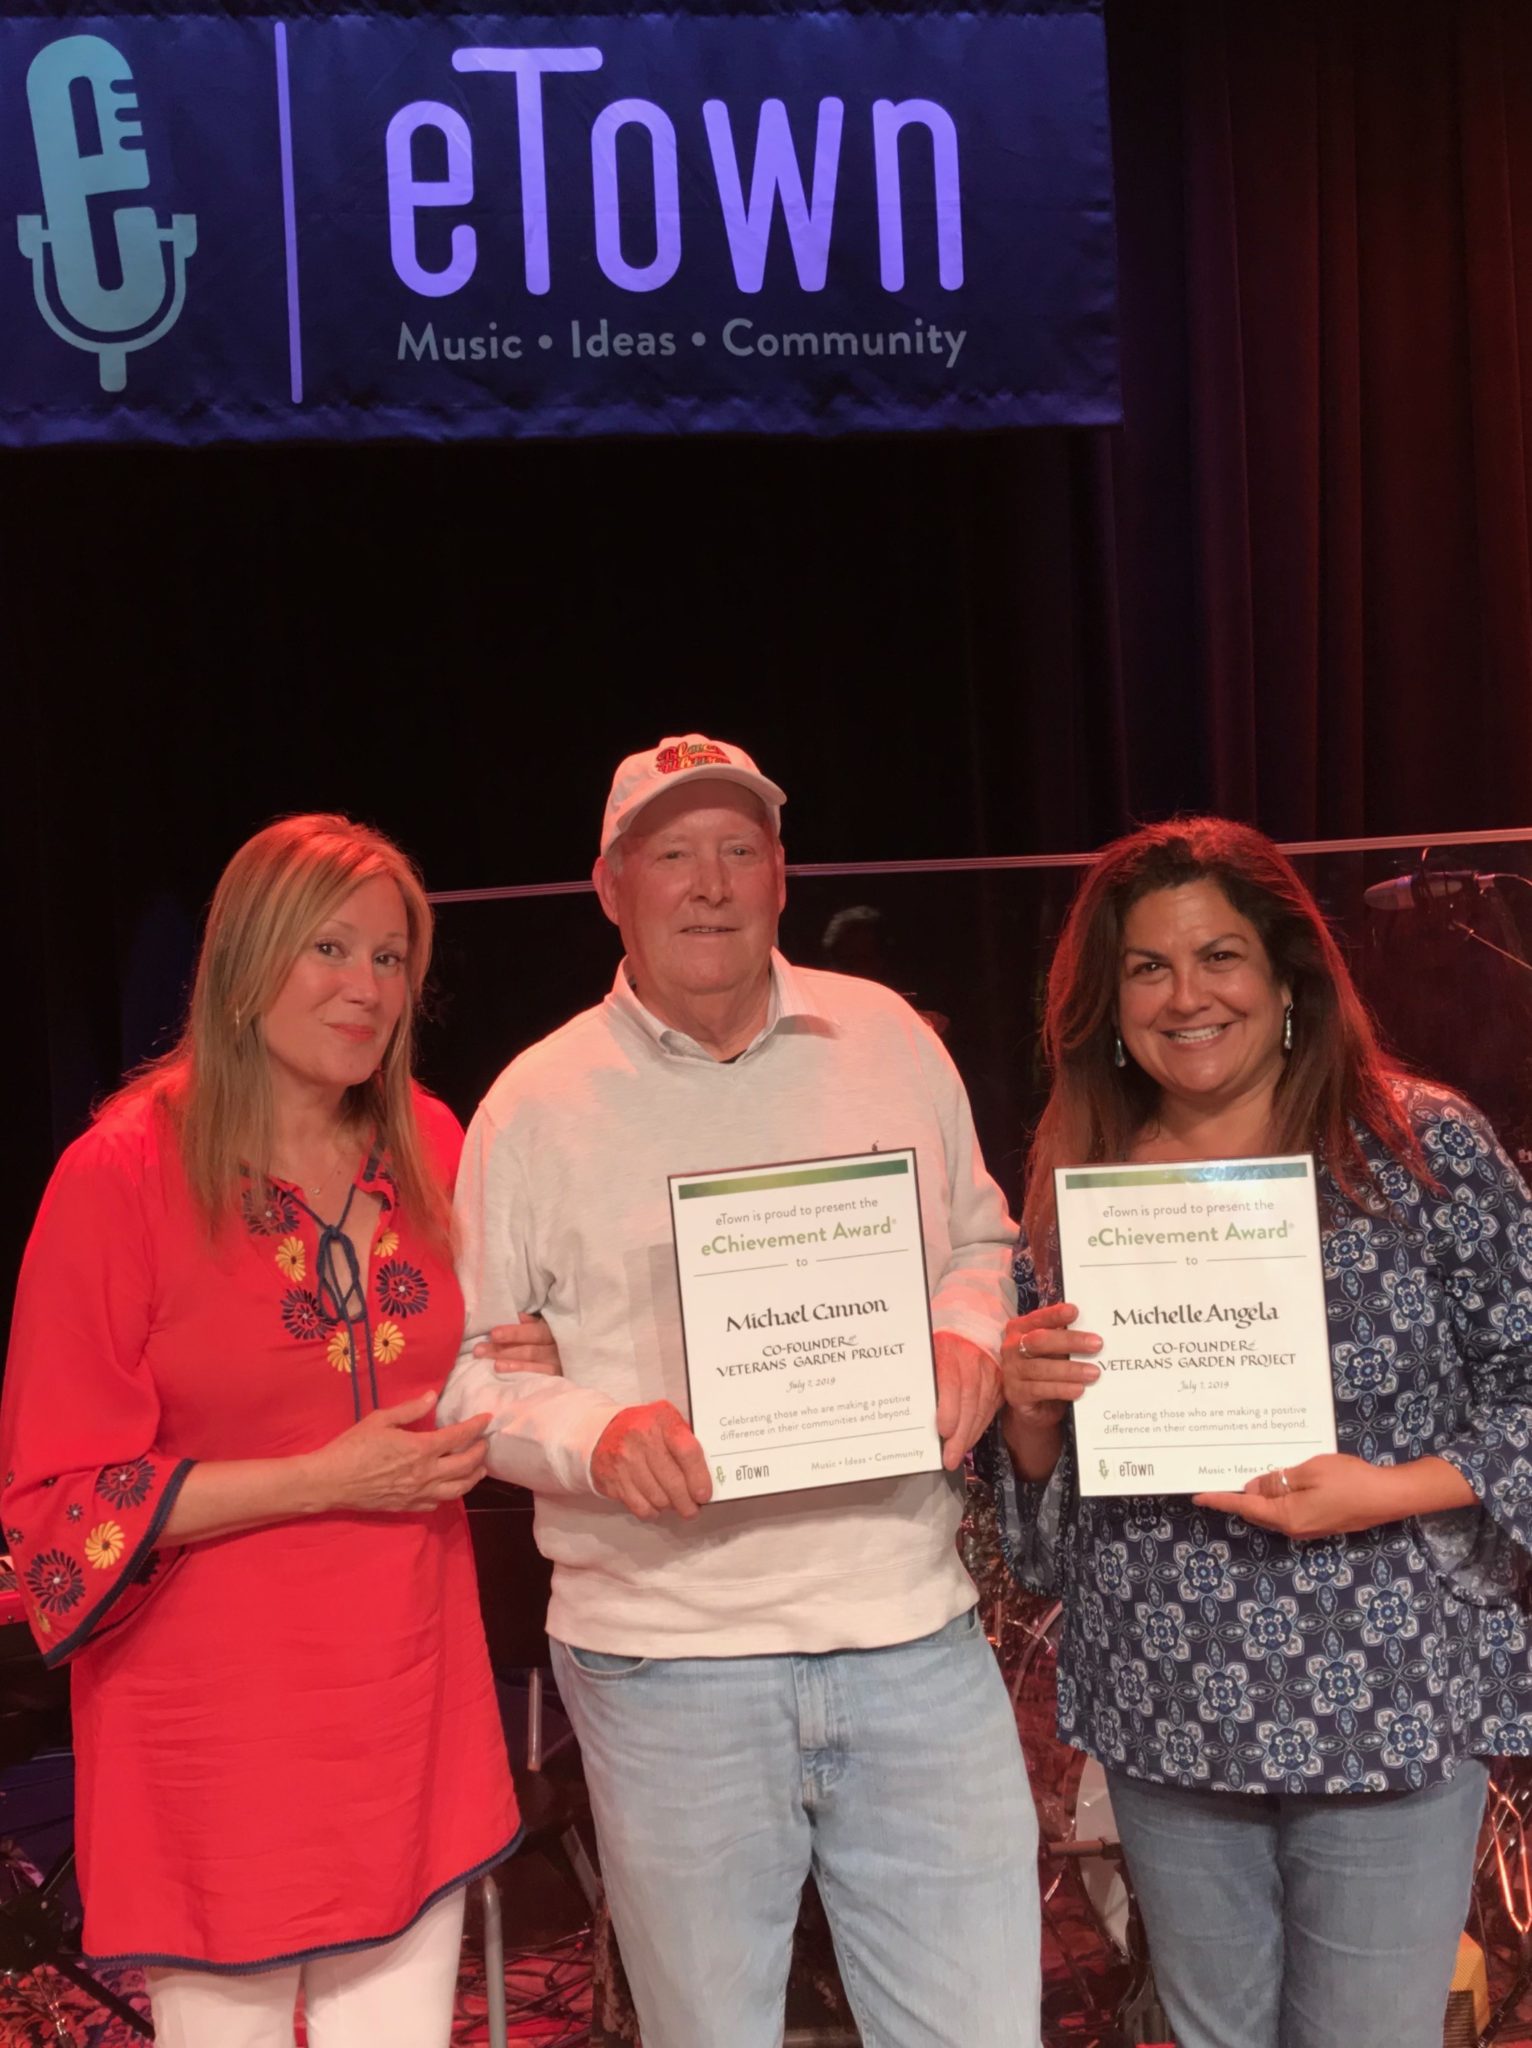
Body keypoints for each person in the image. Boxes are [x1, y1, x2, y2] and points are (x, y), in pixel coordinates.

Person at [441, 733, 1040, 2048]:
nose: (707, 884)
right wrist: (595, 1433)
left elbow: (979, 1244)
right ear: (610, 887)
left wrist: (967, 1337)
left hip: (907, 1630)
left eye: (736, 850)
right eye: (672, 854)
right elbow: (464, 1372)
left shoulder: (886, 1037)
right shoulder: (533, 1102)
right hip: (666, 1659)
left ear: (780, 872)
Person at [988, 815, 1532, 2048]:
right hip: (1165, 1694)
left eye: (1218, 955)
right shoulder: (1082, 1181)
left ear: (1287, 975)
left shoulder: (1418, 1146)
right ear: (1107, 1002)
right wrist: (1024, 1414)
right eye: (1147, 966)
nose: (1186, 995)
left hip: (1387, 1686)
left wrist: (1381, 1488)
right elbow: (1038, 1533)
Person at [0, 815, 533, 2048]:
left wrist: (523, 1360)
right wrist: (320, 1478)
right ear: (244, 964)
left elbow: (469, 1354)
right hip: (215, 1729)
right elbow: (56, 1511)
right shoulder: (120, 1173)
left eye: (390, 957)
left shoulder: (431, 1142)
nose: (367, 986)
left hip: (410, 1697)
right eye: (328, 947)